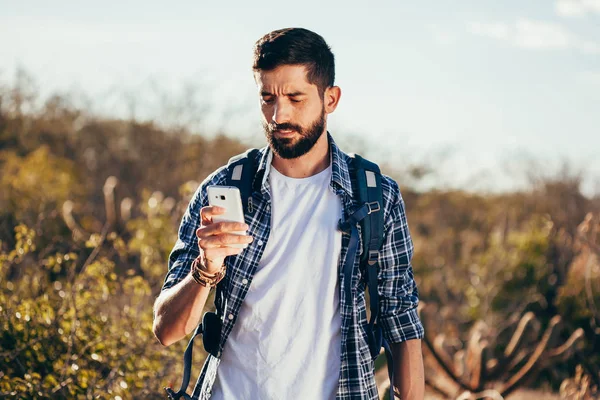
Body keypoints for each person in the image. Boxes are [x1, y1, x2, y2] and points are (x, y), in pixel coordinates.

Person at [152, 27, 425, 400]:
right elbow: (166, 330)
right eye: (267, 98)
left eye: (296, 98)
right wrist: (207, 268)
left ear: (330, 99)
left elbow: (400, 321)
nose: (278, 115)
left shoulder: (376, 197)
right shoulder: (228, 189)